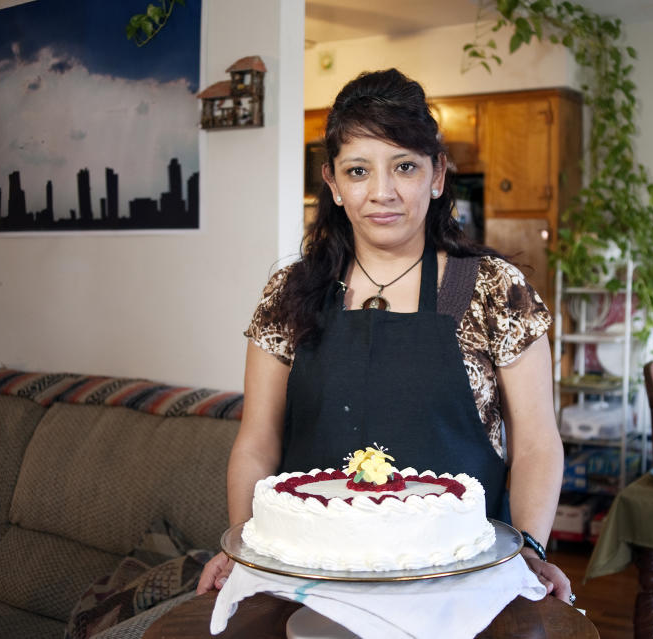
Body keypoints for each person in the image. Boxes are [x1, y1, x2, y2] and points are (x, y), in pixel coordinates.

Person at [197, 68, 571, 601]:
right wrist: (241, 550)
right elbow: (258, 442)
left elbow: (535, 443)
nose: (382, 193)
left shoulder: (491, 289)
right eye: (358, 171)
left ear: (437, 176)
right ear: (332, 183)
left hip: (457, 581)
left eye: (405, 166)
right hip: (307, 579)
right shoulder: (291, 292)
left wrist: (530, 549)